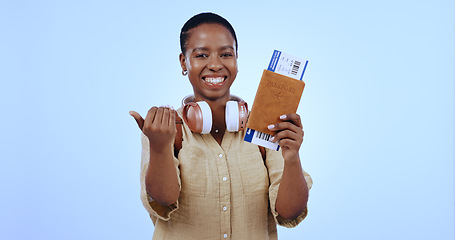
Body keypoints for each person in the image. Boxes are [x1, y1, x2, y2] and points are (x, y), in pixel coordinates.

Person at [130, 12, 312, 240]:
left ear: (236, 59)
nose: (215, 65)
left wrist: (292, 156)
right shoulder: (163, 129)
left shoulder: (267, 124)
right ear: (184, 62)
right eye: (201, 55)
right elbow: (164, 200)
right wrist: (159, 148)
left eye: (226, 54)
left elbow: (289, 213)